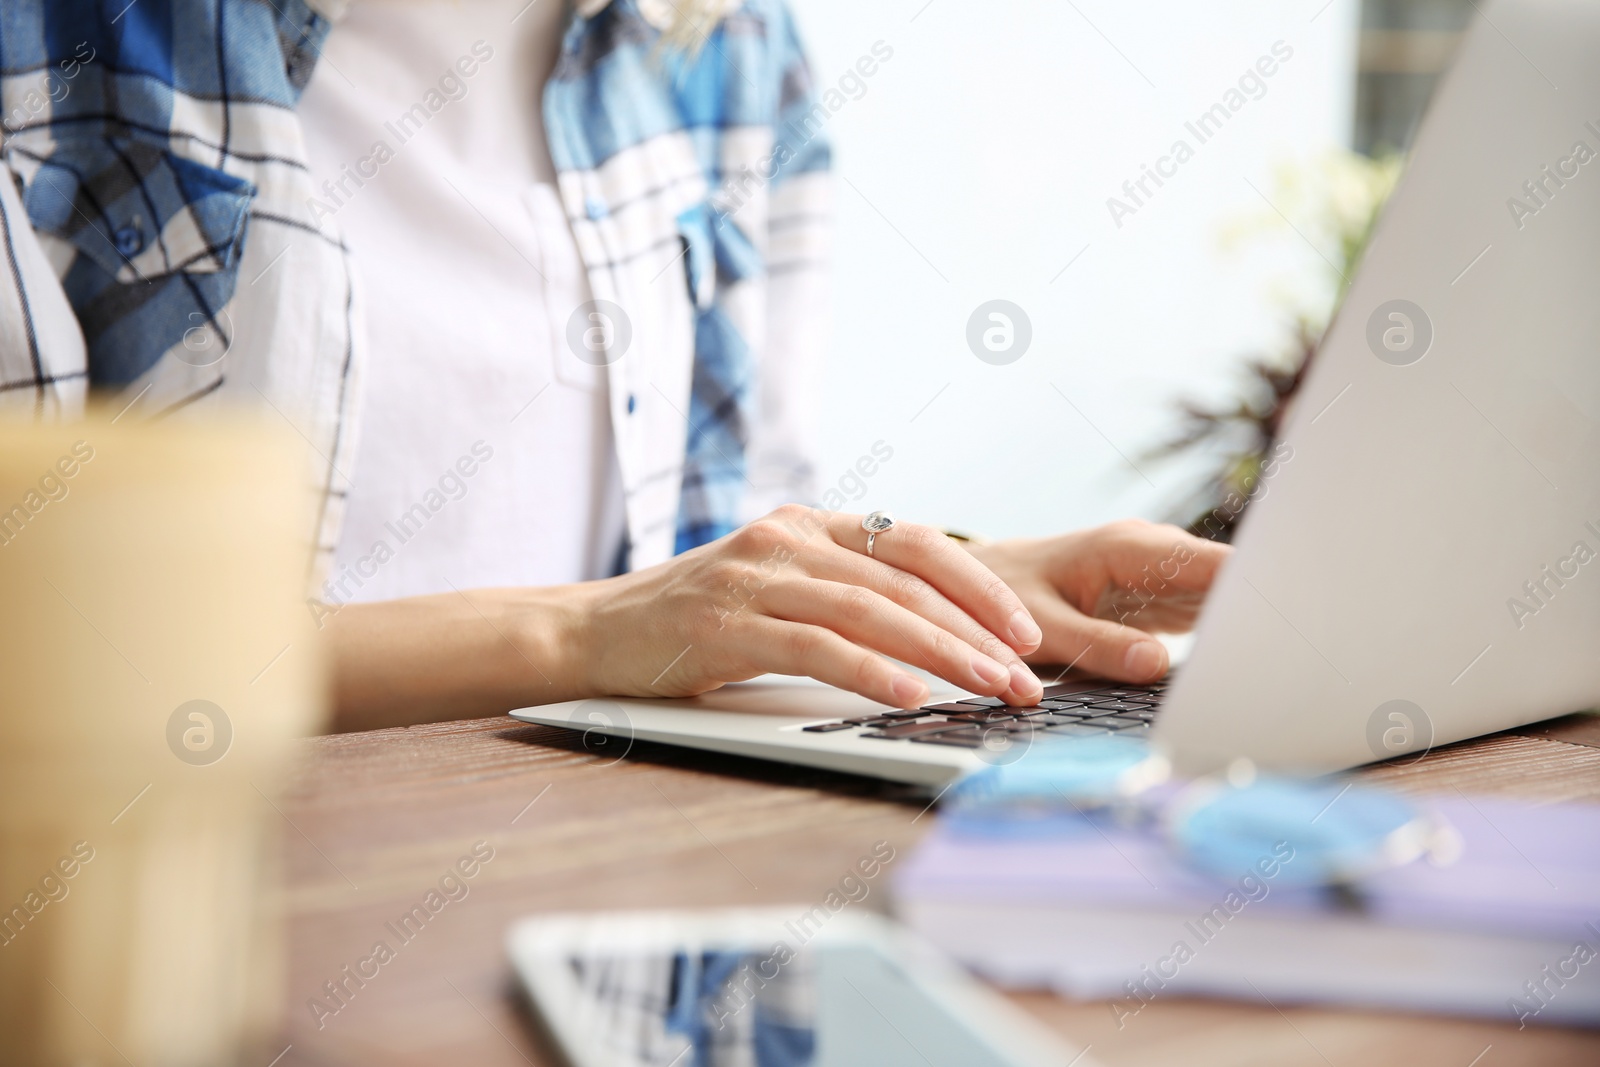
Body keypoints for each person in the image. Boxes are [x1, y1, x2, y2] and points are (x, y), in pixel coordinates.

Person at [0, 0, 1227, 732]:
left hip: (587, 886)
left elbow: (710, 560)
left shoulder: (724, 41)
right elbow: (38, 661)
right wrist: (577, 634)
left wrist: (947, 587)